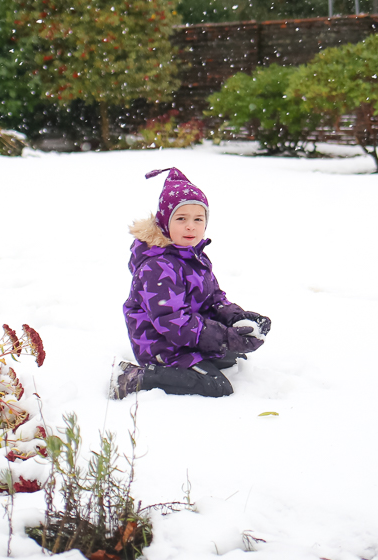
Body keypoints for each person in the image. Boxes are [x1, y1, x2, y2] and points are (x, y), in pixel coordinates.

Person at [111, 167, 271, 399]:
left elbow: (214, 299)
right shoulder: (158, 266)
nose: (191, 226)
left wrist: (239, 319)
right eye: (181, 219)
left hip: (186, 337)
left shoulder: (194, 256)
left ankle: (202, 355)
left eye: (198, 219)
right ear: (165, 223)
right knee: (216, 385)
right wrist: (225, 337)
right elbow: (173, 322)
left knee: (232, 358)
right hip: (161, 345)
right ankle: (136, 378)